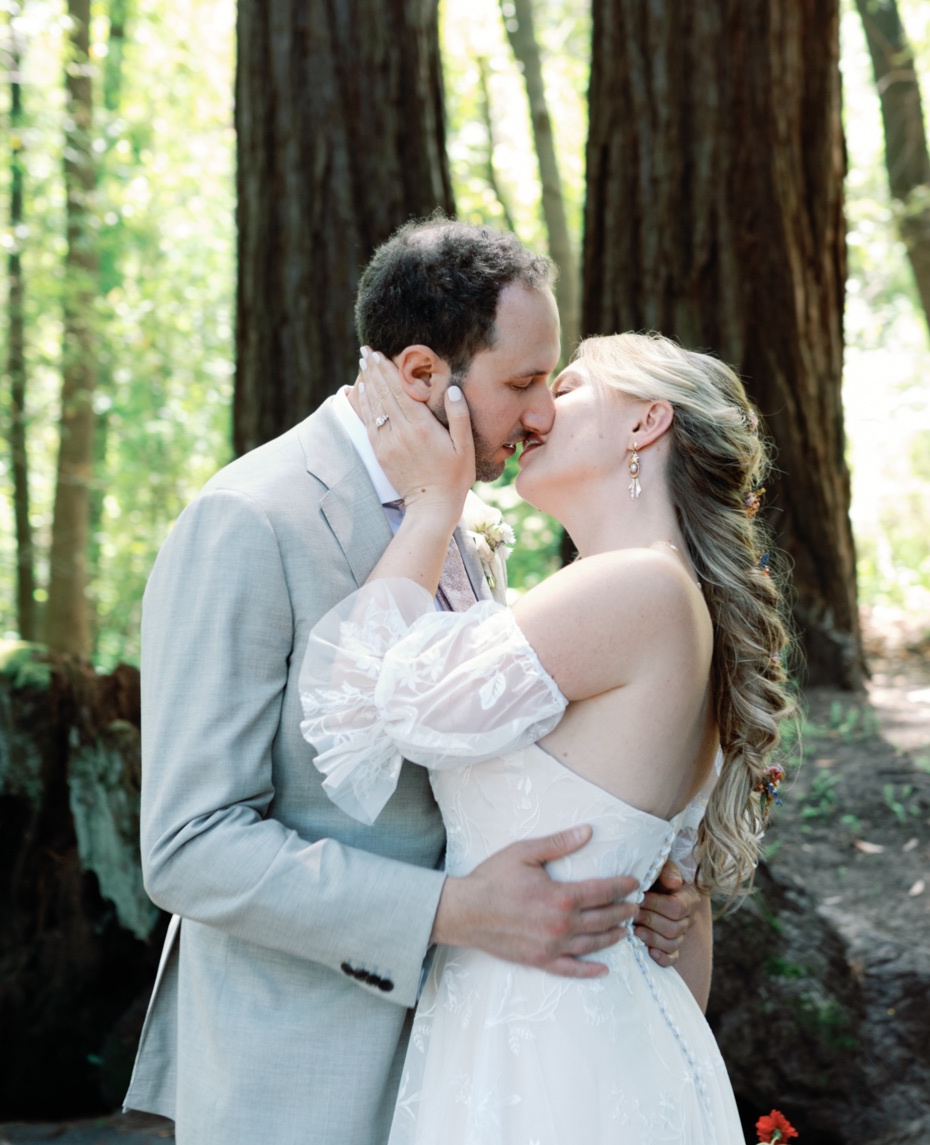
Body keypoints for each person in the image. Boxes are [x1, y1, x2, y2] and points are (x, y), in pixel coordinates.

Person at [125, 219, 706, 1143]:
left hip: (473, 1064)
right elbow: (191, 844)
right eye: (520, 384)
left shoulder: (463, 515)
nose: (540, 414)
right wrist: (453, 910)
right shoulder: (249, 520)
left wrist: (629, 869)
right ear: (425, 374)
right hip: (298, 1074)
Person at [304, 332, 791, 1142]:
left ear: (646, 425)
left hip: (545, 1066)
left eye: (564, 389)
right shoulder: (663, 596)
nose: (534, 413)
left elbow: (363, 707)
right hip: (589, 1045)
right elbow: (684, 932)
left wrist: (433, 505)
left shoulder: (634, 584)